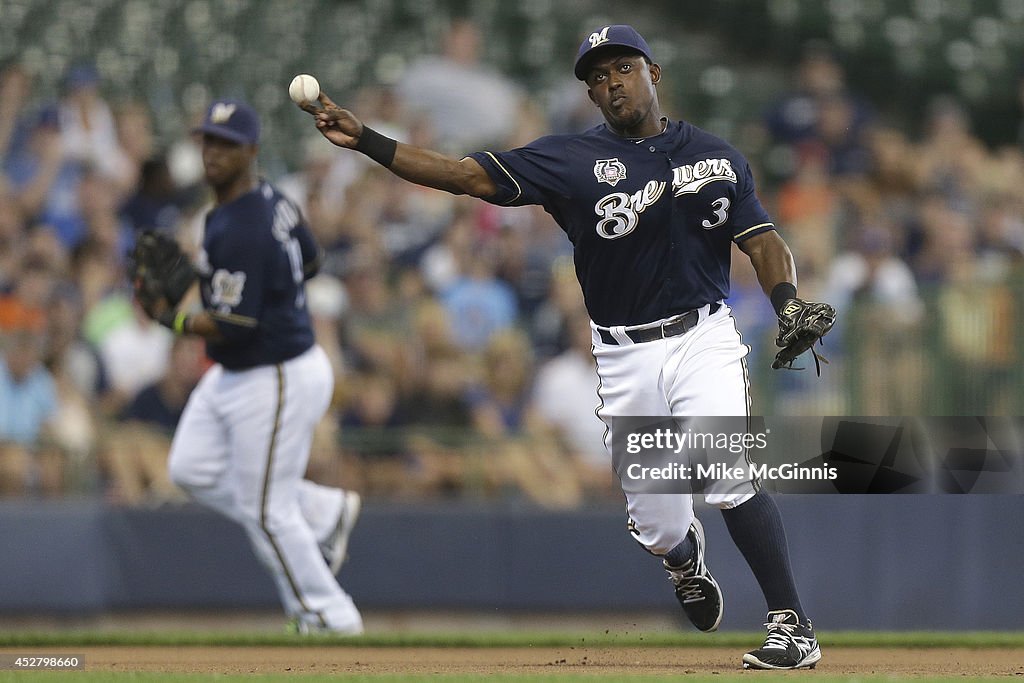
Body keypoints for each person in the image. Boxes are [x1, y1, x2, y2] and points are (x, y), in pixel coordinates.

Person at [305, 24, 830, 668]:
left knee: (726, 470)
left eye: (622, 68)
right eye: (597, 76)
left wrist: (788, 305)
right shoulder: (570, 160)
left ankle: (792, 627)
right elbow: (465, 175)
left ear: (654, 73)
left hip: (704, 337)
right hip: (624, 354)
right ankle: (683, 555)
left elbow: (762, 240)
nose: (611, 83)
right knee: (660, 525)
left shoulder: (717, 157)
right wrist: (367, 141)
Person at [139, 100, 363, 634]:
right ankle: (320, 513)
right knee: (190, 468)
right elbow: (311, 262)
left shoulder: (241, 224)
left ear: (252, 151)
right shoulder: (270, 201)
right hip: (246, 369)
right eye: (208, 141)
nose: (213, 152)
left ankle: (327, 616)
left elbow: (233, 324)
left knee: (265, 509)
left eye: (227, 144)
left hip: (273, 372)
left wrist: (169, 320)